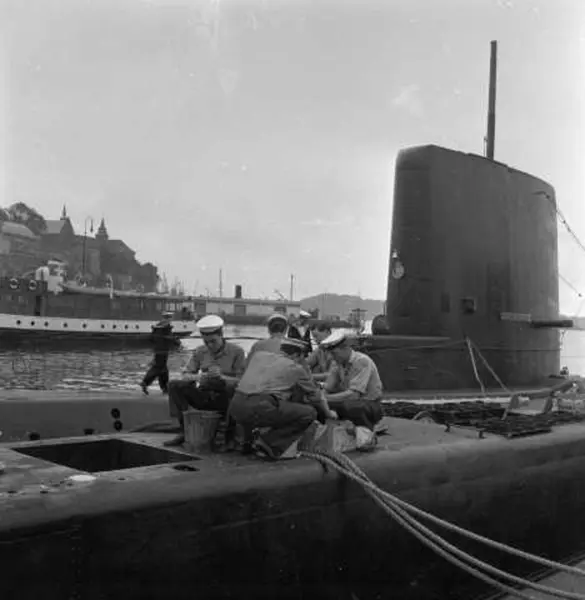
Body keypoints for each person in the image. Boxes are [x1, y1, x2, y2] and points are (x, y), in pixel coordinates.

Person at [229, 337, 337, 460]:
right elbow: (316, 396)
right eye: (302, 358)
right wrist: (329, 413)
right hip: (260, 406)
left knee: (263, 405)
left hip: (235, 405)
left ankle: (245, 442)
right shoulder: (295, 368)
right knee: (309, 413)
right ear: (297, 355)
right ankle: (270, 444)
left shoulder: (259, 356)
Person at [164, 315, 246, 447]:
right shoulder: (200, 351)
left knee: (229, 388)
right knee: (174, 385)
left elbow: (242, 381)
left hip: (225, 398)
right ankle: (184, 430)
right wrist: (199, 377)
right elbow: (185, 374)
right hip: (204, 394)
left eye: (213, 341)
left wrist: (222, 377)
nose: (210, 345)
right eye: (206, 342)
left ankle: (229, 436)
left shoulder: (237, 352)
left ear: (221, 335)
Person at [320, 330, 383, 431]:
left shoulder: (361, 361)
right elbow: (328, 387)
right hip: (352, 401)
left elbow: (354, 395)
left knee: (350, 406)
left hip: (369, 404)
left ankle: (366, 430)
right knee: (317, 405)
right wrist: (320, 397)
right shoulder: (338, 362)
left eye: (333, 353)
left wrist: (323, 398)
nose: (331, 357)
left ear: (345, 348)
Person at [140, 312, 178, 395]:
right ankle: (145, 382)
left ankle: (164, 388)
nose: (170, 320)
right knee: (158, 368)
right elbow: (171, 338)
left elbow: (151, 338)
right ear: (168, 318)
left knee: (163, 369)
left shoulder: (157, 326)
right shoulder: (166, 327)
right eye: (170, 318)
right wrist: (177, 342)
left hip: (158, 350)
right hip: (163, 351)